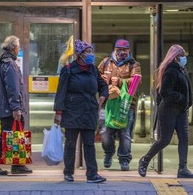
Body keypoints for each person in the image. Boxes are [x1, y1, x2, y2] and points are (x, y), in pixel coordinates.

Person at [138, 44, 193, 179]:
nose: (184, 58)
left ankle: (183, 168)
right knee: (165, 139)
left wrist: (188, 102)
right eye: (182, 55)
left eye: (184, 55)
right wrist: (182, 98)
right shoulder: (171, 70)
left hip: (181, 110)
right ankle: (145, 160)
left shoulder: (181, 69)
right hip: (169, 110)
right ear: (176, 57)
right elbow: (165, 92)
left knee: (184, 138)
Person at [54, 39, 108, 183]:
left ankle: (92, 174)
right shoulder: (69, 69)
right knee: (71, 143)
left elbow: (103, 85)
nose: (91, 55)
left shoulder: (94, 70)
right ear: (80, 54)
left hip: (89, 111)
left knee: (89, 144)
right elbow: (61, 92)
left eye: (91, 51)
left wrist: (103, 96)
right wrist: (58, 112)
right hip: (72, 111)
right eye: (88, 52)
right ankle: (68, 172)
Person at [0, 35, 32, 175]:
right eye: (18, 47)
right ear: (13, 48)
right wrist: (16, 107)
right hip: (9, 108)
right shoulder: (9, 63)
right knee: (5, 133)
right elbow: (13, 87)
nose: (19, 49)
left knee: (15, 133)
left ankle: (17, 165)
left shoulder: (3, 61)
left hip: (5, 105)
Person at [97, 39, 141, 171]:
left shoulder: (134, 64)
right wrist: (102, 79)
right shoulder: (105, 62)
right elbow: (96, 75)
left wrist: (121, 81)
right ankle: (109, 153)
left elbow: (137, 80)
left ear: (128, 51)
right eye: (119, 50)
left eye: (124, 50)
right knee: (105, 132)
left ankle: (124, 159)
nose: (122, 52)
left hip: (126, 104)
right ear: (115, 50)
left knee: (125, 133)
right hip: (107, 103)